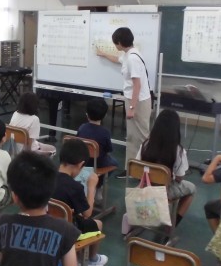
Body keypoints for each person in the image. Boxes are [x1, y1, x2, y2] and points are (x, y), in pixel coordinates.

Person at [97, 27, 151, 177]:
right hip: (133, 99)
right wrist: (103, 54)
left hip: (138, 101)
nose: (115, 45)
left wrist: (132, 107)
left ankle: (145, 170)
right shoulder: (128, 54)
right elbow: (117, 60)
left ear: (120, 42)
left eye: (115, 43)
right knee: (132, 136)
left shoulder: (133, 58)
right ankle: (131, 168)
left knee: (141, 136)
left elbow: (137, 85)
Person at [53, 138, 108, 266]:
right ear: (81, 164)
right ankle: (89, 260)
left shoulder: (47, 176)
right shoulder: (75, 187)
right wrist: (91, 187)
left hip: (47, 223)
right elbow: (87, 213)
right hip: (65, 231)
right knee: (98, 224)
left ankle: (81, 258)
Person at [137, 109, 195, 227]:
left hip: (144, 186)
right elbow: (180, 177)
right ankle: (173, 223)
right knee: (192, 188)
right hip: (164, 191)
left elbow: (137, 167)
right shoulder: (178, 150)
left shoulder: (145, 144)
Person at [77, 96, 119, 196]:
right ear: (104, 116)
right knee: (115, 163)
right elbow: (108, 150)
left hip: (82, 162)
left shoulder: (82, 128)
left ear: (87, 114)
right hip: (98, 163)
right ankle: (98, 185)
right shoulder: (105, 132)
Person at [9, 91, 56, 156]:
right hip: (28, 152)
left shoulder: (15, 114)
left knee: (40, 145)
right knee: (53, 149)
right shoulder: (34, 119)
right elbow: (29, 145)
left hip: (15, 149)